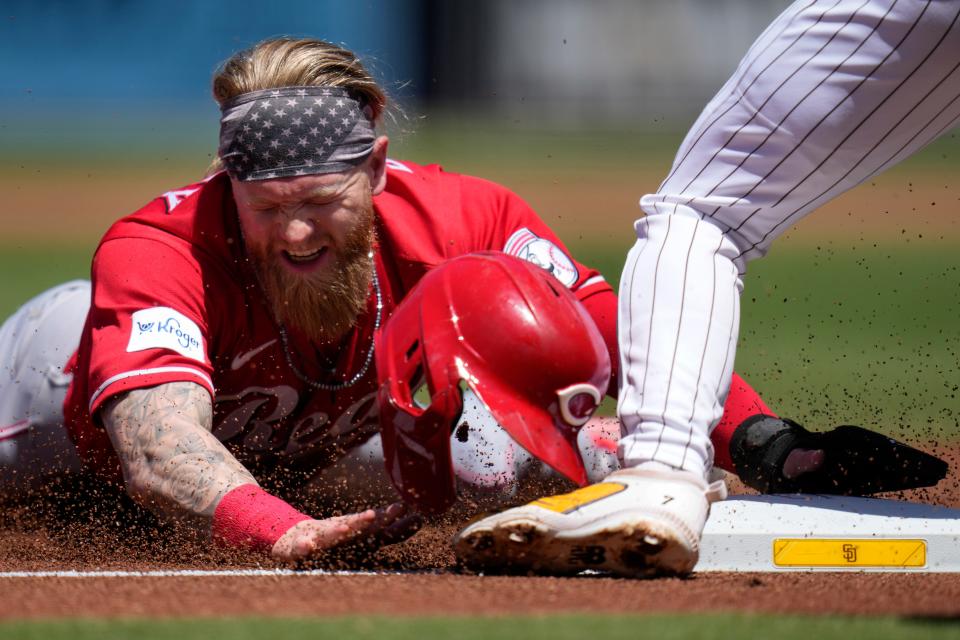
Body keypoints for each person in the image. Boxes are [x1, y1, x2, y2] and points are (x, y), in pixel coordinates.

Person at [0, 36, 796, 564]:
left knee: (488, 468)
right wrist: (282, 530)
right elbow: (154, 445)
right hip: (54, 402)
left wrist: (760, 437)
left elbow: (612, 336)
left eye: (320, 200)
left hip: (314, 440)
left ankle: (615, 457)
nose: (298, 233)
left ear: (377, 168)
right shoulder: (161, 248)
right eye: (266, 208)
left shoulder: (466, 219)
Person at [456, 0, 959, 577]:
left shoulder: (448, 212)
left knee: (700, 213)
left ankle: (659, 478)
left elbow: (588, 323)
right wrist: (768, 447)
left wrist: (760, 444)